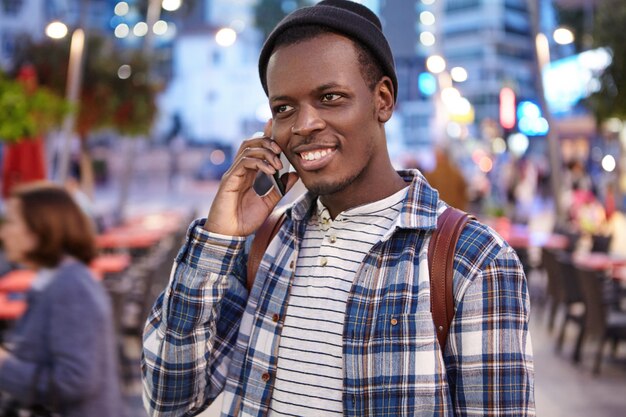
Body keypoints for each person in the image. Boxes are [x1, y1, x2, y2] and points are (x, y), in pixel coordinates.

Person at [142, 1, 535, 416]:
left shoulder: (473, 262)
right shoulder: (264, 246)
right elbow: (170, 399)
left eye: (330, 97)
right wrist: (218, 240)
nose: (303, 124)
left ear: (382, 100)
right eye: (283, 108)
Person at [0, 183, 125, 417]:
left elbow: (74, 382)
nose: (3, 232)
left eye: (12, 222)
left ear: (40, 229)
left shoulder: (70, 287)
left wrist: (4, 366)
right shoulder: (57, 279)